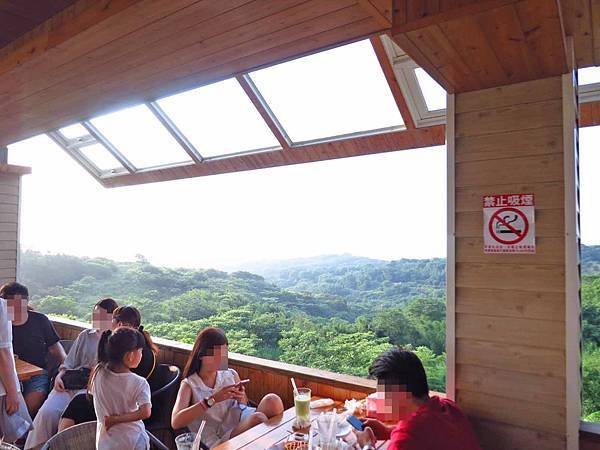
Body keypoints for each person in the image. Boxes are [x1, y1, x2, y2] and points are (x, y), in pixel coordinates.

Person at [24, 298, 118, 450]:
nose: (95, 319)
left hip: (90, 389)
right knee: (47, 413)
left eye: (100, 315)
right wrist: (60, 376)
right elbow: (69, 362)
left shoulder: (114, 341)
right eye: (94, 314)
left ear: (110, 318)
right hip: (70, 383)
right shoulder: (85, 335)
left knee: (69, 417)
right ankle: (34, 447)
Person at [171, 327, 284, 448]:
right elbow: (176, 422)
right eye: (215, 354)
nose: (220, 358)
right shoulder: (190, 384)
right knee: (258, 418)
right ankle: (277, 445)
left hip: (237, 420)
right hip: (216, 436)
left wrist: (240, 397)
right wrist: (212, 400)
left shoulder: (230, 374)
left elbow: (244, 404)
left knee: (272, 400)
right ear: (201, 355)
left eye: (223, 352)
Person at [355, 347, 481, 450]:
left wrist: (366, 445)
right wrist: (388, 431)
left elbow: (413, 437)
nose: (379, 400)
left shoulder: (404, 440)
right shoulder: (448, 407)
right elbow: (429, 435)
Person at [59, 305, 159, 431]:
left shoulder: (131, 352)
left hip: (125, 407)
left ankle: (61, 441)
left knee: (78, 404)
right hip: (128, 402)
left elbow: (116, 385)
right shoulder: (137, 346)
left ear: (120, 324)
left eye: (112, 320)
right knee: (78, 402)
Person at [2, 282, 67, 417]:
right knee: (8, 410)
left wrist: (67, 366)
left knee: (25, 411)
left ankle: (22, 437)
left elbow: (54, 346)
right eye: (9, 306)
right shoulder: (3, 324)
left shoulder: (40, 320)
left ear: (26, 303)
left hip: (37, 374)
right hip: (6, 375)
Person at [90, 327, 152, 450]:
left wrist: (113, 419)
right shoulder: (139, 383)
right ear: (129, 356)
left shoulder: (98, 372)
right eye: (140, 350)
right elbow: (146, 412)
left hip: (105, 443)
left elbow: (91, 392)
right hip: (132, 442)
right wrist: (115, 419)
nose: (142, 354)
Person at [0, 287, 32, 443]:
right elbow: (3, 353)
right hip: (3, 388)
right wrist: (12, 393)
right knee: (8, 436)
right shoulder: (1, 308)